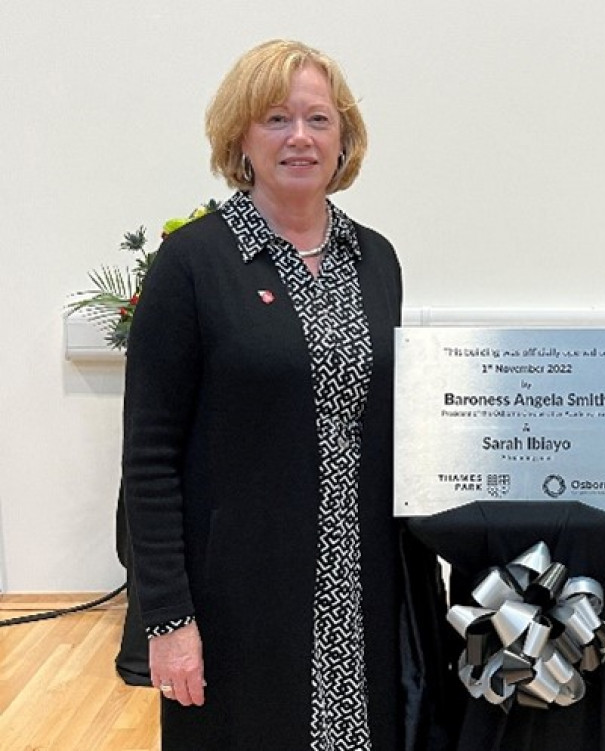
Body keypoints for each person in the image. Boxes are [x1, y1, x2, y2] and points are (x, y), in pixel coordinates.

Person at [123, 39, 440, 750]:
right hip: (238, 597)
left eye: (318, 119)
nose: (299, 137)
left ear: (344, 138)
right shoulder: (193, 265)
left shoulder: (376, 258)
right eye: (275, 118)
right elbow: (148, 461)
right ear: (241, 135)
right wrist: (169, 621)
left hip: (362, 589)